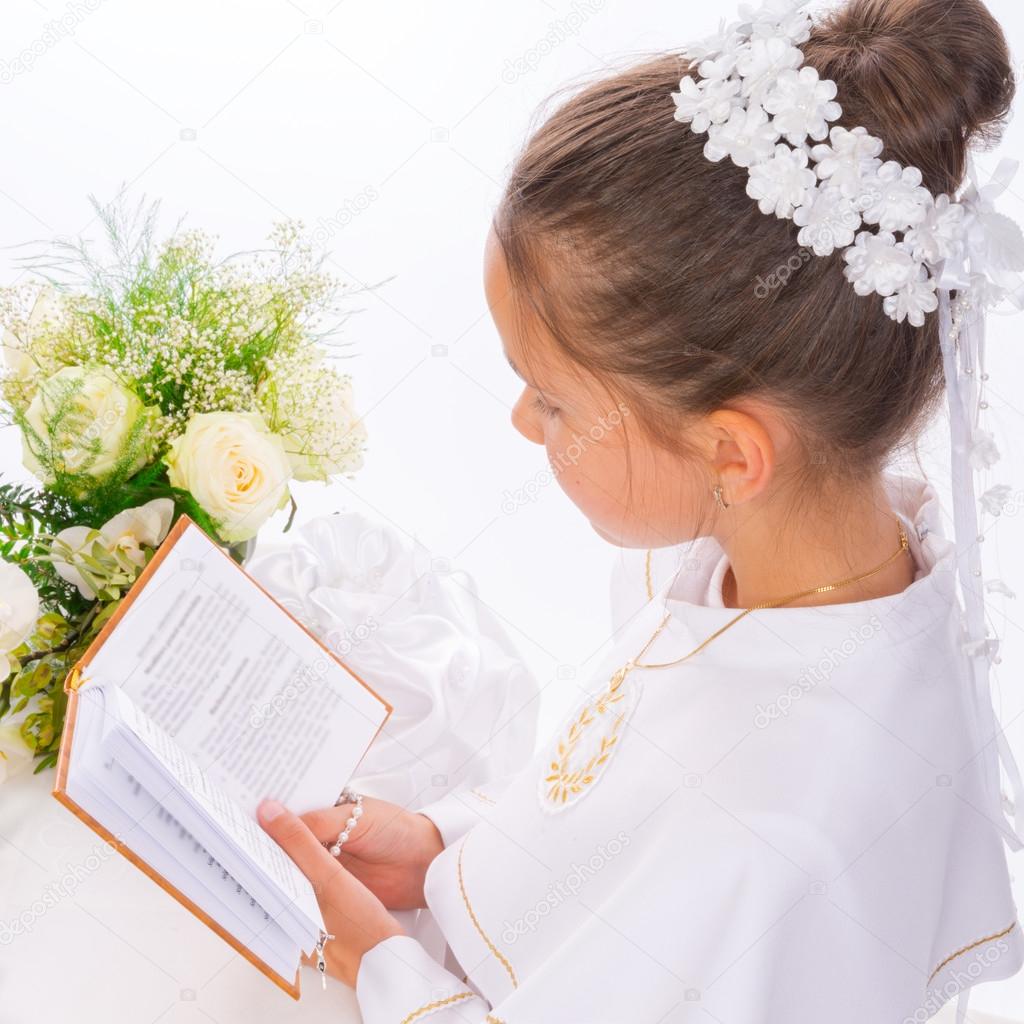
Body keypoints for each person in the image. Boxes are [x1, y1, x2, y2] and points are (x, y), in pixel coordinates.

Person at [257, 0, 1024, 1018]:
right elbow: (623, 801)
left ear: (729, 451)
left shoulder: (778, 837)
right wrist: (453, 847)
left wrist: (386, 969)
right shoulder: (787, 566)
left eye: (556, 397)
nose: (523, 421)